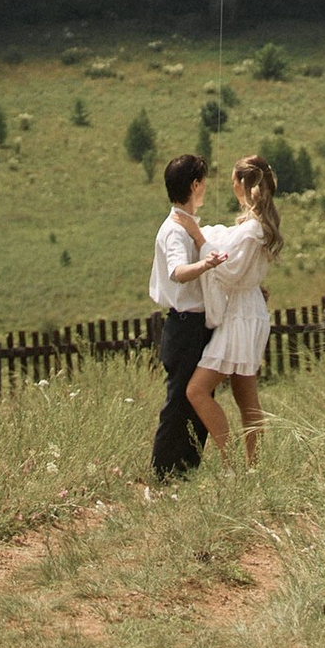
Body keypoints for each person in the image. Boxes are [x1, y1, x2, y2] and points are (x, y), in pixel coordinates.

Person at [176, 152, 282, 467]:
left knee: (197, 390)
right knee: (245, 396)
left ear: (241, 184)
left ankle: (233, 462)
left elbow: (230, 270)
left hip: (241, 315)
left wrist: (197, 237)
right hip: (248, 310)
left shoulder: (252, 229)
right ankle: (253, 467)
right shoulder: (255, 225)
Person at [145, 152, 212, 478]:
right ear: (195, 185)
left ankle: (186, 470)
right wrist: (207, 264)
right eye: (203, 182)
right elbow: (178, 271)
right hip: (185, 325)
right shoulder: (175, 230)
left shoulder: (186, 225)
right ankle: (163, 471)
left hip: (193, 325)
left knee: (197, 398)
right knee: (180, 402)